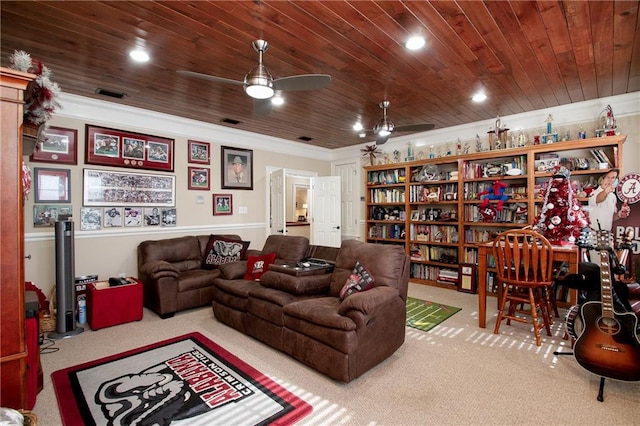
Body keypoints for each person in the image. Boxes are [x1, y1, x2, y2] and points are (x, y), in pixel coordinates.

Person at [586, 169, 630, 265]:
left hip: (607, 235)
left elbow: (612, 216)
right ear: (602, 179)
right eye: (608, 177)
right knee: (598, 266)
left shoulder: (613, 196)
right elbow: (599, 199)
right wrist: (605, 191)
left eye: (613, 178)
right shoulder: (594, 193)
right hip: (596, 235)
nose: (610, 180)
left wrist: (619, 214)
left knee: (609, 266)